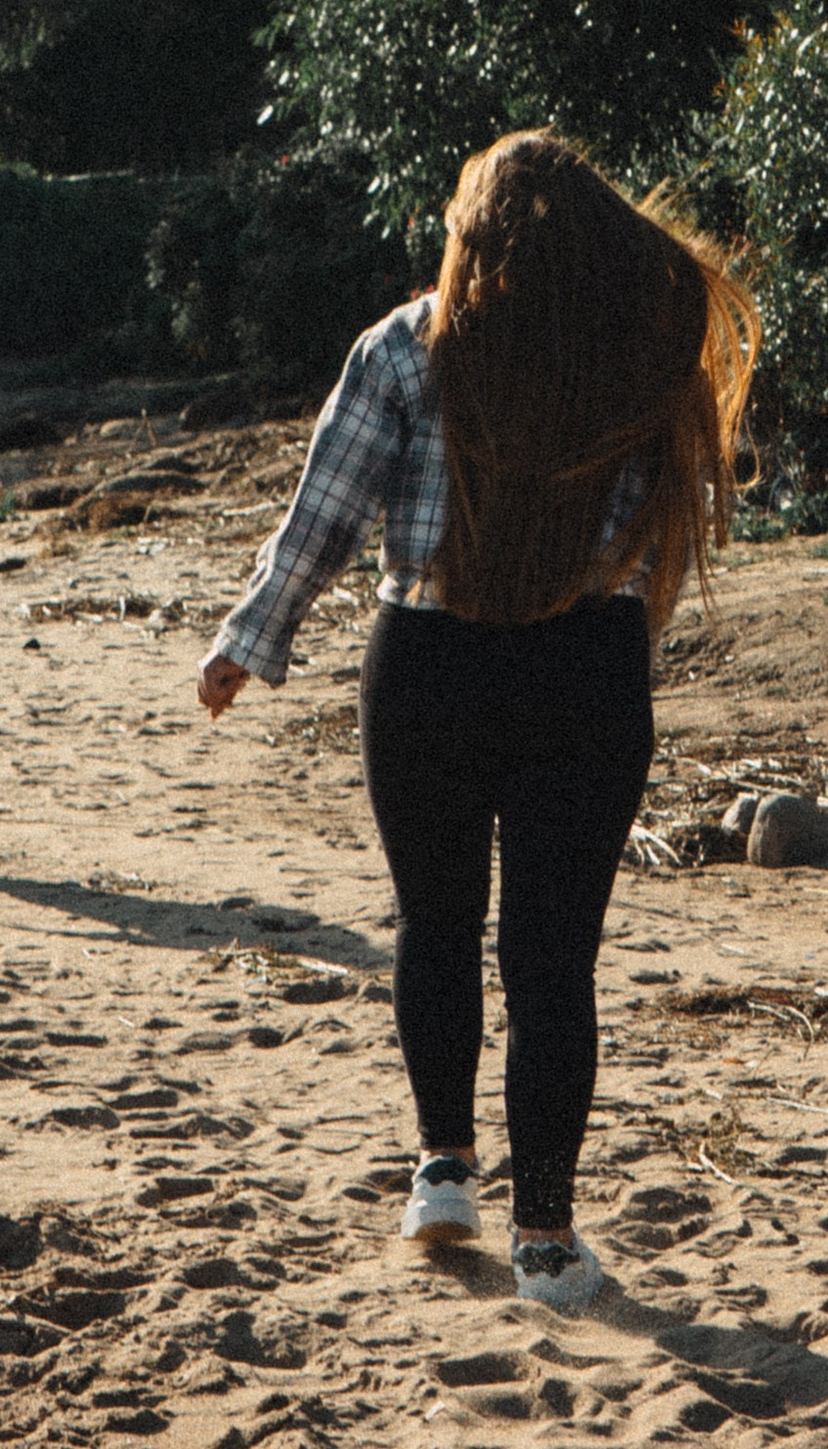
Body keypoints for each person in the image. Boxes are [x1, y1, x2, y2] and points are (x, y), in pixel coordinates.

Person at [198, 133, 756, 1311]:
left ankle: (442, 1172)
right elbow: (664, 527)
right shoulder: (643, 352)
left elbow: (322, 519)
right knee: (556, 963)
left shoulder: (403, 347)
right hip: (588, 667)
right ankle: (546, 1239)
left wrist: (247, 643)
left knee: (435, 926)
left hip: (429, 666)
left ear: (475, 235)